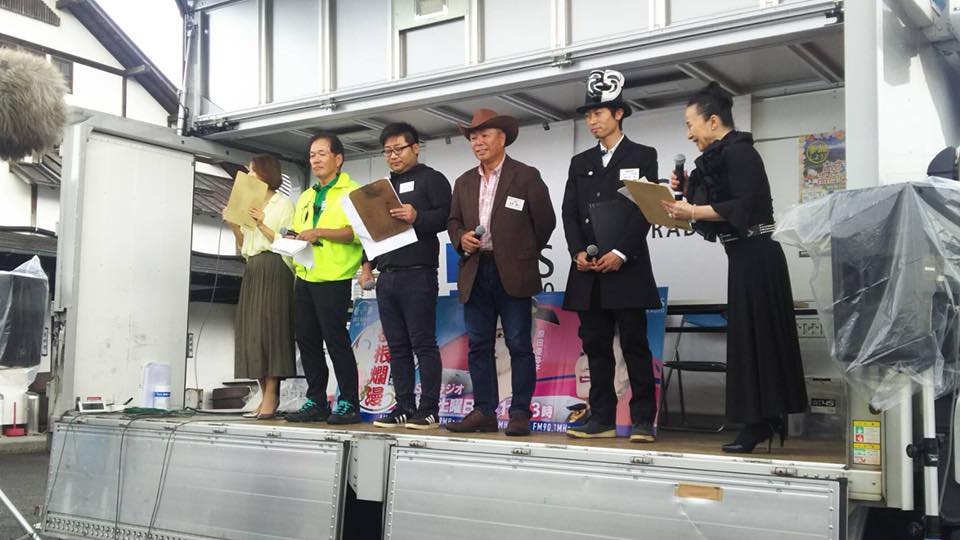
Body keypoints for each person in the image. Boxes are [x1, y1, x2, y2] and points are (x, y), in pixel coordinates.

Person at [660, 82, 807, 453]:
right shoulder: (724, 155)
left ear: (713, 121)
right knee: (750, 339)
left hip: (758, 255)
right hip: (744, 256)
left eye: (690, 124)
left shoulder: (741, 153)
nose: (688, 133)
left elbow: (739, 206)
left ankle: (761, 422)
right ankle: (763, 420)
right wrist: (689, 190)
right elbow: (720, 205)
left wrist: (692, 209)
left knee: (759, 340)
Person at [561, 68, 661, 443]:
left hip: (626, 266)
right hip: (588, 270)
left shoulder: (643, 155)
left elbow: (645, 209)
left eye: (599, 113)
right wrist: (576, 251)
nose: (592, 121)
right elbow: (569, 211)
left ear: (619, 113)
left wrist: (621, 251)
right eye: (588, 115)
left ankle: (642, 419)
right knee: (595, 345)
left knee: (634, 345)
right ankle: (601, 417)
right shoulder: (580, 162)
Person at [445, 108, 556, 437]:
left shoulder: (526, 175)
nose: (477, 142)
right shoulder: (463, 181)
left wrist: (521, 252)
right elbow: (453, 221)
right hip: (475, 269)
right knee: (479, 345)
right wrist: (461, 237)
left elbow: (545, 222)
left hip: (514, 271)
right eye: (473, 137)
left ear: (502, 138)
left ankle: (520, 412)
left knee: (519, 344)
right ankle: (484, 411)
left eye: (484, 135)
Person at [360, 122, 452, 430]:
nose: (393, 156)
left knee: (422, 343)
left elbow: (448, 217)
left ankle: (429, 409)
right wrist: (366, 265)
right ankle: (403, 405)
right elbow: (372, 232)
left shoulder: (432, 179)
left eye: (398, 149)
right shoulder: (382, 187)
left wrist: (417, 216)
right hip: (387, 276)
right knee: (397, 345)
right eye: (387, 151)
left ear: (415, 148)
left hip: (418, 274)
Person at [284, 132, 365, 424]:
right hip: (305, 273)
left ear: (338, 158)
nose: (315, 160)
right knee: (306, 340)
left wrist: (320, 233)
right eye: (311, 155)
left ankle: (348, 402)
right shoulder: (307, 195)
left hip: (334, 276)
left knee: (335, 341)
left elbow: (358, 233)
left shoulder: (352, 191)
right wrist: (292, 238)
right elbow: (298, 229)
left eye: (321, 154)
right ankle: (316, 400)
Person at [224, 155, 296, 420]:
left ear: (266, 173)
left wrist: (262, 222)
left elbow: (286, 241)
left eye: (252, 171)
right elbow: (244, 245)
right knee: (251, 331)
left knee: (272, 329)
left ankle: (272, 394)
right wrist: (234, 224)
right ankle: (264, 394)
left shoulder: (283, 203)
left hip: (275, 266)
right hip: (253, 266)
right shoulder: (248, 201)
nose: (249, 175)